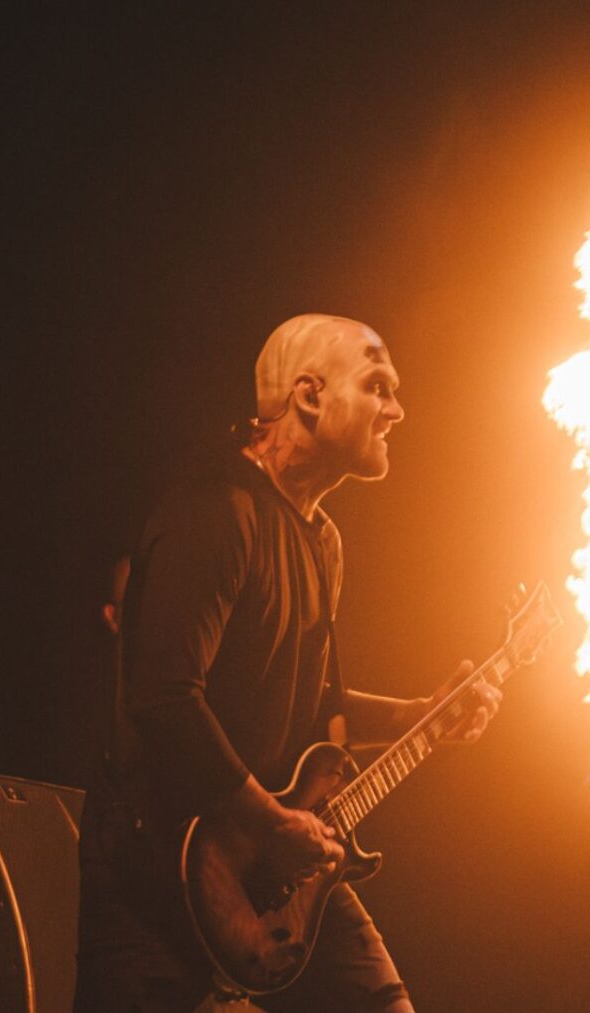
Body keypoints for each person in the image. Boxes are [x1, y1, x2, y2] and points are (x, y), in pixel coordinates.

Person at [74, 314, 500, 1013]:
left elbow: (315, 709)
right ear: (308, 395)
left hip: (271, 863)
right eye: (378, 386)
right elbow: (164, 697)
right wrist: (269, 819)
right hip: (156, 870)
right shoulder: (218, 511)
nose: (396, 409)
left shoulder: (324, 542)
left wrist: (422, 713)